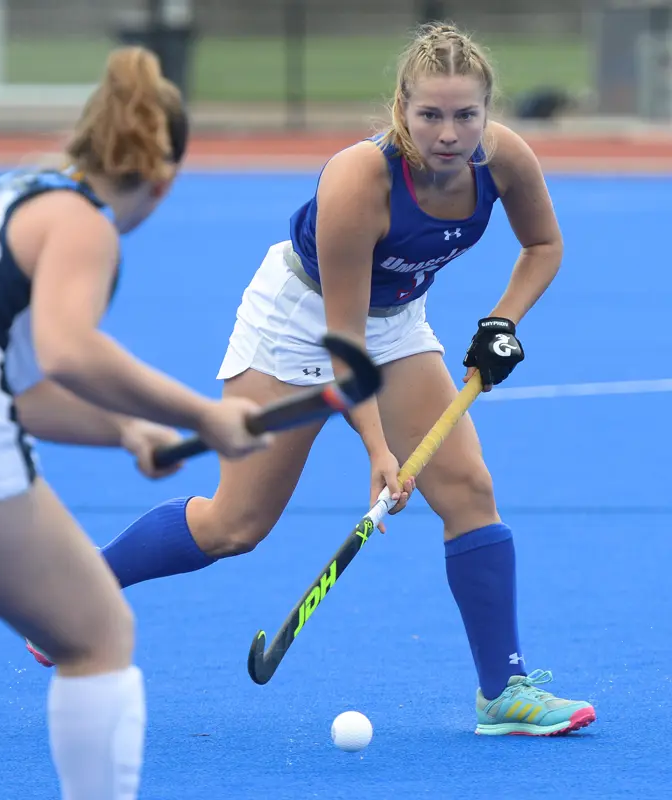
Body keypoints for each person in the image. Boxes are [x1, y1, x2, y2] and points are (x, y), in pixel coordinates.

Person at [37, 23, 597, 736]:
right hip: (299, 323)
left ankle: (504, 692)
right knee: (233, 526)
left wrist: (501, 321)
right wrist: (378, 452)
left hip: (394, 320)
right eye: (430, 114)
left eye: (466, 115)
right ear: (401, 107)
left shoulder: (505, 159)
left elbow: (543, 246)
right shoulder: (357, 180)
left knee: (469, 489)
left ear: (488, 113)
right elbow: (343, 347)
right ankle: (71, 591)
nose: (449, 133)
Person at [0, 46, 272, 800]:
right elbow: (69, 349)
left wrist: (126, 431)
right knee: (97, 635)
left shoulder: (7, 196)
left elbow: (21, 391)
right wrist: (202, 416)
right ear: (163, 177)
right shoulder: (82, 224)